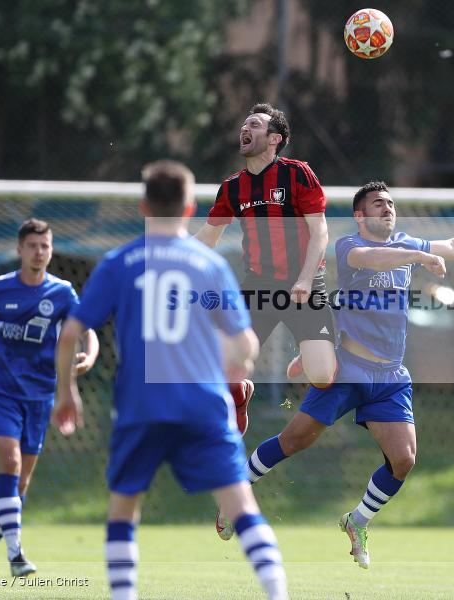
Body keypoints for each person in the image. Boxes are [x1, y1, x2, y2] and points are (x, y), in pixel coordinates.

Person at [239, 181, 454, 568]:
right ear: (359, 215)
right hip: (348, 367)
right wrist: (417, 255)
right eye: (377, 204)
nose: (386, 208)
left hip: (390, 376)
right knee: (295, 439)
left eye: (390, 203)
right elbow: (373, 260)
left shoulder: (405, 242)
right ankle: (237, 489)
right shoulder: (349, 246)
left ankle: (357, 520)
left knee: (404, 459)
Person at [52, 160, 288, 600]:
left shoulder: (118, 262)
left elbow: (70, 333)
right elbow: (246, 346)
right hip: (203, 403)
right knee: (240, 506)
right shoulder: (209, 264)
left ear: (143, 206)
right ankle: (277, 593)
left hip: (142, 403)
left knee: (124, 507)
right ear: (189, 208)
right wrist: (232, 365)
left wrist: (67, 392)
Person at [194, 102, 338, 539]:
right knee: (224, 369)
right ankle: (242, 393)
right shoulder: (232, 187)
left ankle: (302, 360)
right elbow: (209, 238)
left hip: (304, 285)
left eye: (254, 125)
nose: (245, 128)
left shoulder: (298, 174)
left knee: (323, 376)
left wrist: (301, 279)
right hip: (258, 285)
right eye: (244, 124)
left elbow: (320, 233)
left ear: (275, 138)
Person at [0, 218, 99, 577]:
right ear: (19, 250)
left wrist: (89, 356)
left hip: (41, 396)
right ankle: (16, 556)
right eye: (32, 246)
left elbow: (86, 331)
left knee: (20, 483)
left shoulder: (61, 293)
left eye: (45, 246)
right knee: (10, 465)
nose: (39, 252)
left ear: (51, 250)